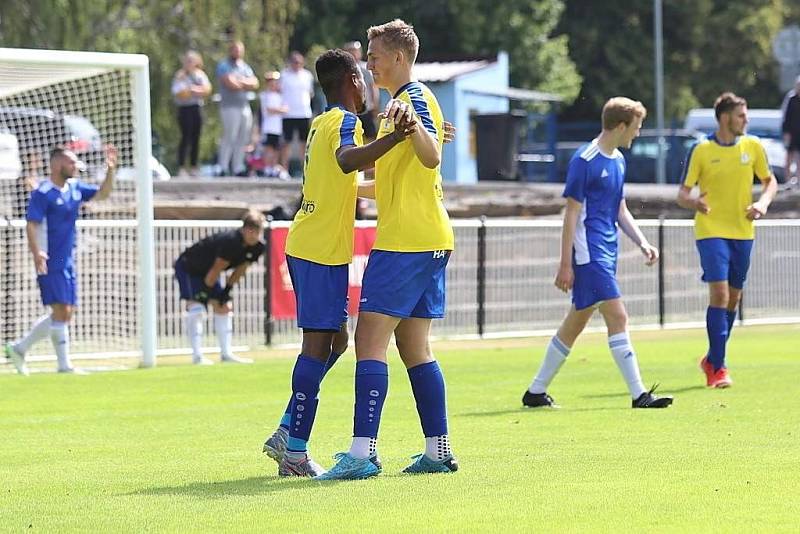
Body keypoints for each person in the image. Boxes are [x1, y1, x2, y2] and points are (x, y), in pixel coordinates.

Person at [260, 48, 418, 477]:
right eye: (363, 76)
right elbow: (349, 161)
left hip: (315, 244)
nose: (369, 83)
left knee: (337, 343)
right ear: (351, 81)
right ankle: (293, 450)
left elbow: (350, 179)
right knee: (317, 346)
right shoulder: (346, 123)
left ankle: (287, 429)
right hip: (317, 249)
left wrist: (424, 138)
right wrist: (396, 139)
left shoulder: (321, 122)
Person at [316, 19, 458, 481]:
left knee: (369, 341)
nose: (370, 64)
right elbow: (400, 177)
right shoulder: (419, 100)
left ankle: (363, 452)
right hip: (431, 240)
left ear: (399, 58)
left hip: (405, 244)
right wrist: (352, 188)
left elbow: (432, 157)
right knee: (415, 346)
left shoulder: (409, 101)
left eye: (374, 56)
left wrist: (420, 130)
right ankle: (438, 450)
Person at [521, 97, 673, 410]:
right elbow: (571, 214)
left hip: (607, 253)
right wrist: (566, 264)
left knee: (575, 323)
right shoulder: (585, 159)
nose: (637, 134)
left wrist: (642, 242)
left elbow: (620, 209)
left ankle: (535, 392)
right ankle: (639, 394)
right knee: (618, 315)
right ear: (620, 126)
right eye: (636, 127)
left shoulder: (618, 160)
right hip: (589, 256)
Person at [678, 92, 777, 388]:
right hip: (710, 230)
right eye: (741, 115)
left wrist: (762, 204)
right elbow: (683, 193)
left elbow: (769, 181)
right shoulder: (702, 149)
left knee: (734, 297)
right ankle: (718, 368)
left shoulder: (753, 146)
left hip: (743, 231)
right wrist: (694, 202)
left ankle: (712, 358)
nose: (746, 120)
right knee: (720, 295)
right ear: (725, 118)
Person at [4, 145, 117, 375]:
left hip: (67, 259)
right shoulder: (43, 193)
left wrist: (110, 171)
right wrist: (37, 253)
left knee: (66, 313)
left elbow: (103, 194)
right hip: (50, 258)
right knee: (61, 309)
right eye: (72, 163)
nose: (75, 167)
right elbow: (32, 224)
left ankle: (19, 348)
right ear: (57, 165)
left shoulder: (74, 188)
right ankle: (64, 366)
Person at [174, 209, 266, 365]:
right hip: (189, 268)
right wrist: (204, 295)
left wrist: (226, 291)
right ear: (243, 229)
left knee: (224, 307)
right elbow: (216, 269)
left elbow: (240, 270)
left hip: (209, 273)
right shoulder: (231, 242)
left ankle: (226, 354)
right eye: (250, 230)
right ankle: (197, 357)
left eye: (257, 231)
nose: (253, 235)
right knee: (197, 308)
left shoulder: (258, 247)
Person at [216, 40, 259, 176]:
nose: (237, 52)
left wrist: (240, 81)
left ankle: (238, 167)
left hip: (244, 106)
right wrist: (244, 83)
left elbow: (255, 83)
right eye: (235, 49)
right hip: (229, 106)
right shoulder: (224, 66)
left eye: (239, 50)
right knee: (230, 136)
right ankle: (222, 166)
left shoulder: (244, 67)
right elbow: (230, 84)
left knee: (243, 137)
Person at [171, 50, 212, 177]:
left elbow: (206, 89)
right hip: (184, 109)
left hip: (196, 108)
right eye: (187, 61)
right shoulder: (180, 75)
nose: (189, 63)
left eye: (191, 61)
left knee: (196, 137)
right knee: (185, 137)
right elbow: (178, 91)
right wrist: (192, 91)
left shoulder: (200, 75)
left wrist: (193, 90)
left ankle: (194, 166)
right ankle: (182, 167)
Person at [279, 51, 314, 174]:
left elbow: (310, 93)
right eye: (294, 62)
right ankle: (284, 169)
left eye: (299, 62)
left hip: (304, 113)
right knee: (286, 143)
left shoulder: (307, 75)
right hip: (288, 113)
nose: (296, 64)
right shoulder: (284, 75)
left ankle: (305, 169)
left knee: (304, 143)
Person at [343, 40, 380, 141]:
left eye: (355, 51)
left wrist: (375, 105)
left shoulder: (366, 69)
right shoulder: (342, 70)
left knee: (371, 136)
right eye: (351, 51)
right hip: (349, 110)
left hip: (366, 108)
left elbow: (373, 88)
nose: (353, 54)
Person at [257, 71, 289, 178]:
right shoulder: (265, 95)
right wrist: (280, 110)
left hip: (278, 128)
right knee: (269, 149)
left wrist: (279, 110)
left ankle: (273, 167)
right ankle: (267, 167)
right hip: (268, 127)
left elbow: (285, 109)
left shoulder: (279, 96)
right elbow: (269, 110)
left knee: (276, 149)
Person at [781, 75, 800, 182]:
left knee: (799, 158)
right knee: (789, 156)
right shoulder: (791, 99)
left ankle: (798, 179)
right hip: (792, 133)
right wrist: (786, 133)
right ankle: (788, 179)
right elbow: (786, 117)